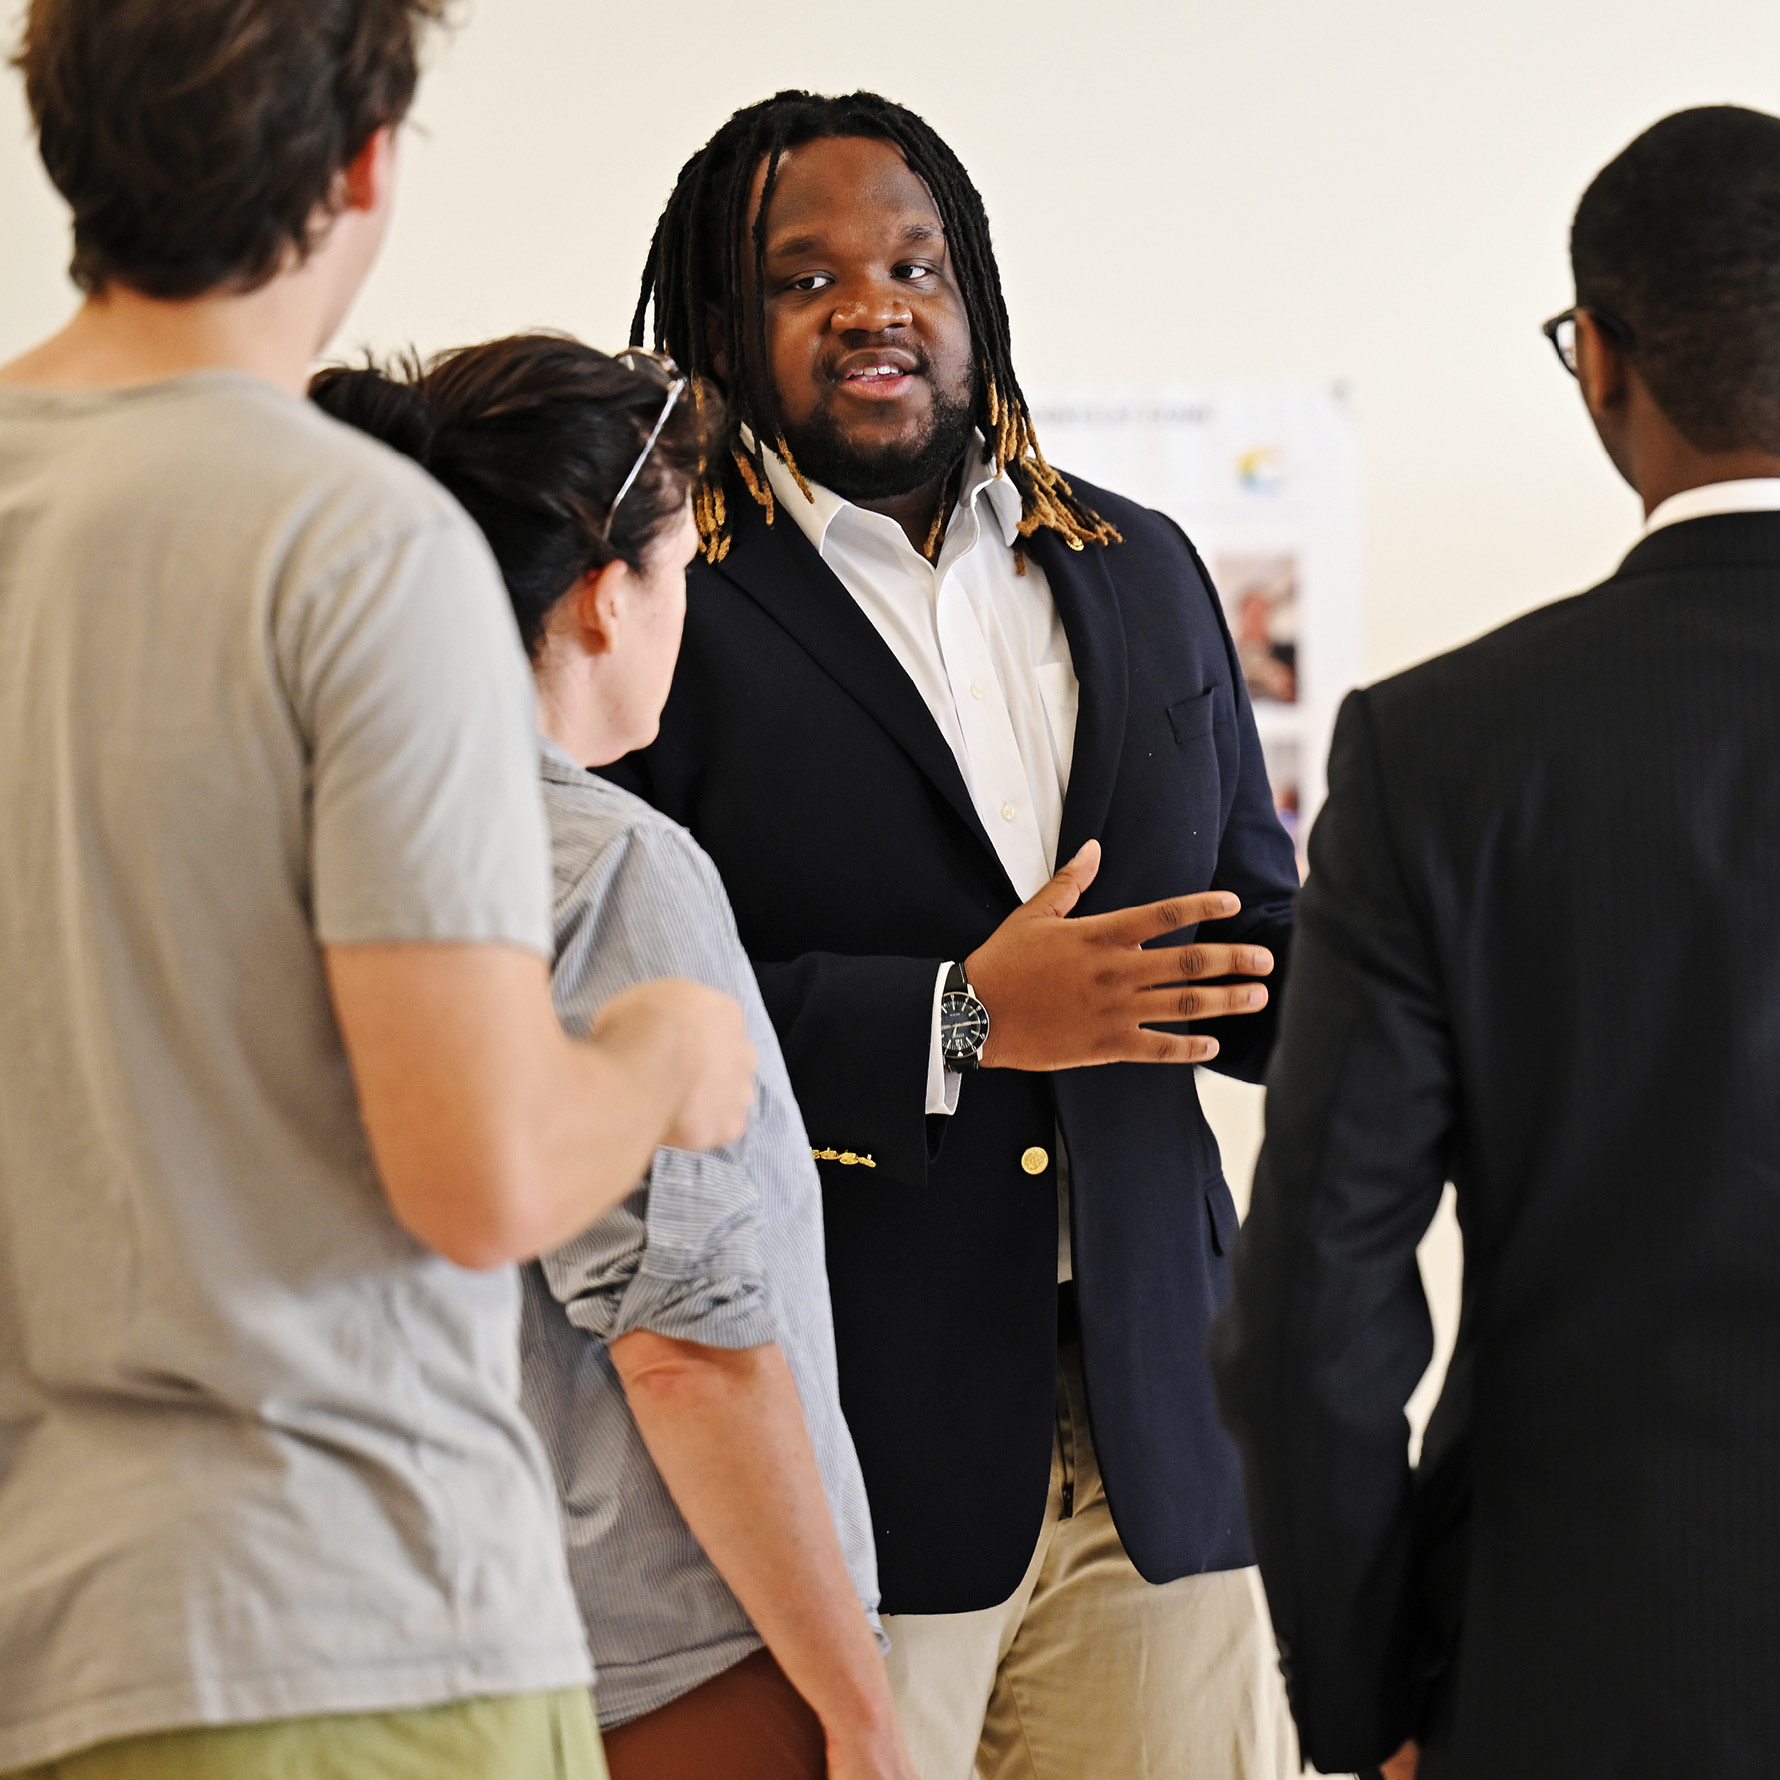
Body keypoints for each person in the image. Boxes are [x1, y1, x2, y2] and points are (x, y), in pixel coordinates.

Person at [0, 6, 754, 1777]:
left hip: (49, 1635)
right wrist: (658, 1057)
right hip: (347, 1632)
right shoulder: (354, 544)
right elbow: (481, 1167)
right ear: (362, 162)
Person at [610, 89, 1302, 1779]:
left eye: (916, 261)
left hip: (1162, 1434)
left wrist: (1422, 985)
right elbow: (617, 1020)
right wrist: (960, 1017)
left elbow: (1248, 927)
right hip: (839, 1458)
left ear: (972, 296)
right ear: (718, 320)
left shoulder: (1139, 565)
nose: (875, 303)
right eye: (804, 275)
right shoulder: (661, 595)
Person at [1209, 104, 1780, 1780]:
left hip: (1576, 1670)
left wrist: (1371, 1698)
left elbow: (1312, 1319)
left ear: (1597, 356)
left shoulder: (1444, 755)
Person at [313, 335, 920, 1780]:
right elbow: (684, 1343)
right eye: (680, 580)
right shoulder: (609, 869)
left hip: (435, 1642)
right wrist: (856, 1705)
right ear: (602, 600)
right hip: (684, 1663)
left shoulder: (324, 835)